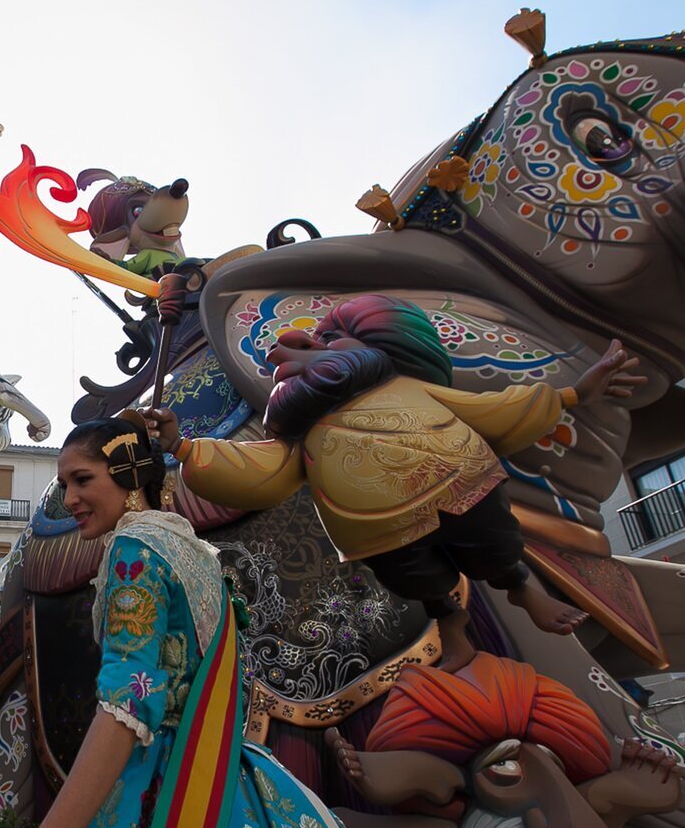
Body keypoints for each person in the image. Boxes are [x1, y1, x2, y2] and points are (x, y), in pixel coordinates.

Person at [0, 413, 474, 828]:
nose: (67, 500)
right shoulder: (198, 555)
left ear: (128, 477)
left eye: (81, 479)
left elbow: (130, 701)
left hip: (157, 801)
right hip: (234, 788)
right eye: (63, 484)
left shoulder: (133, 554)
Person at [142, 287, 645, 669]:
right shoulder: (298, 435)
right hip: (380, 532)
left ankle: (518, 584)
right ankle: (449, 617)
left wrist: (574, 395)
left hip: (464, 487)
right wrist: (183, 446)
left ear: (370, 346)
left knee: (493, 537)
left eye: (324, 341)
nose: (290, 347)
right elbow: (261, 471)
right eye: (292, 350)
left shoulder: (404, 385)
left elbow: (493, 411)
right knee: (411, 575)